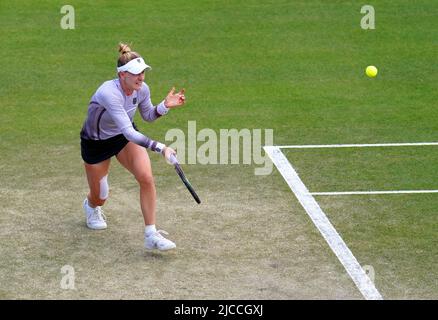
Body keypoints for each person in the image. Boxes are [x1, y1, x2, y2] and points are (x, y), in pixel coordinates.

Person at [80, 43, 185, 251]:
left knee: (146, 178)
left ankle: (151, 234)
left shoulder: (142, 89)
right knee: (100, 197)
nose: (141, 77)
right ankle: (91, 206)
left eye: (143, 72)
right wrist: (161, 147)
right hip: (97, 143)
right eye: (136, 73)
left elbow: (147, 116)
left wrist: (164, 107)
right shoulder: (108, 93)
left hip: (122, 137)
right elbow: (130, 132)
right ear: (122, 75)